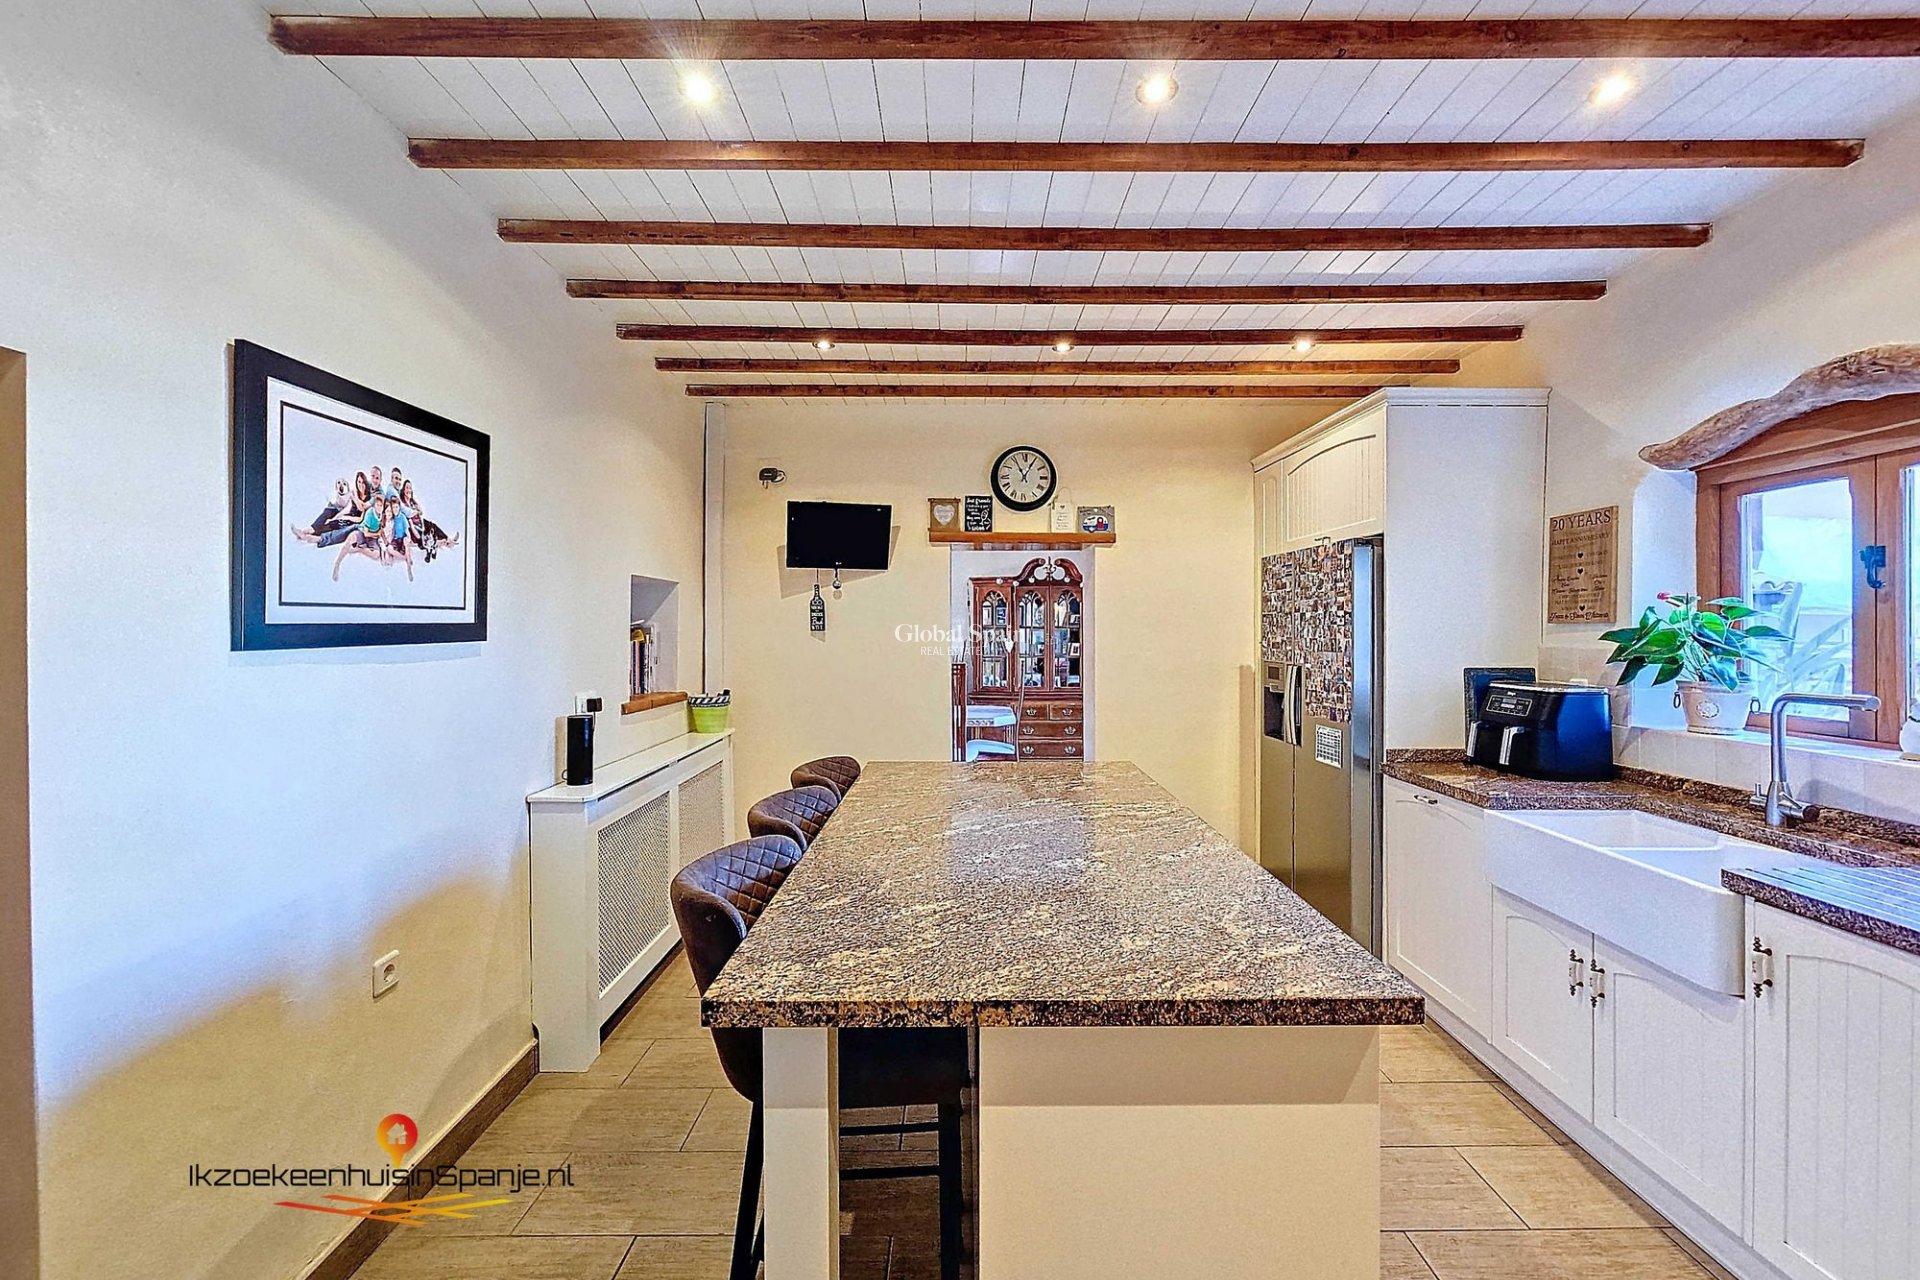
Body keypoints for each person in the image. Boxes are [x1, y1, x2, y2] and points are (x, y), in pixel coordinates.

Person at [332, 495, 385, 581]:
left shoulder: (383, 515)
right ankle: (337, 563)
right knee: (351, 537)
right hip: (363, 533)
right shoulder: (370, 514)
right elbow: (366, 533)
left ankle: (359, 549)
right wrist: (377, 533)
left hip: (373, 538)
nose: (379, 507)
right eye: (377, 505)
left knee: (376, 555)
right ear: (374, 505)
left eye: (381, 505)